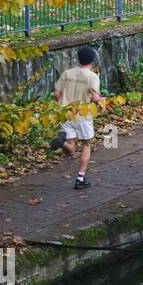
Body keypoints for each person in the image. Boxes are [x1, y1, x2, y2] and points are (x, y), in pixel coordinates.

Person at [51, 45, 102, 190]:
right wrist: (103, 100)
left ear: (78, 59)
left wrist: (62, 103)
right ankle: (80, 178)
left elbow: (56, 93)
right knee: (86, 144)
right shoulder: (92, 76)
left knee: (71, 145)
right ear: (92, 60)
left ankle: (63, 144)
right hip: (83, 114)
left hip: (66, 113)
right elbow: (95, 98)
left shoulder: (67, 73)